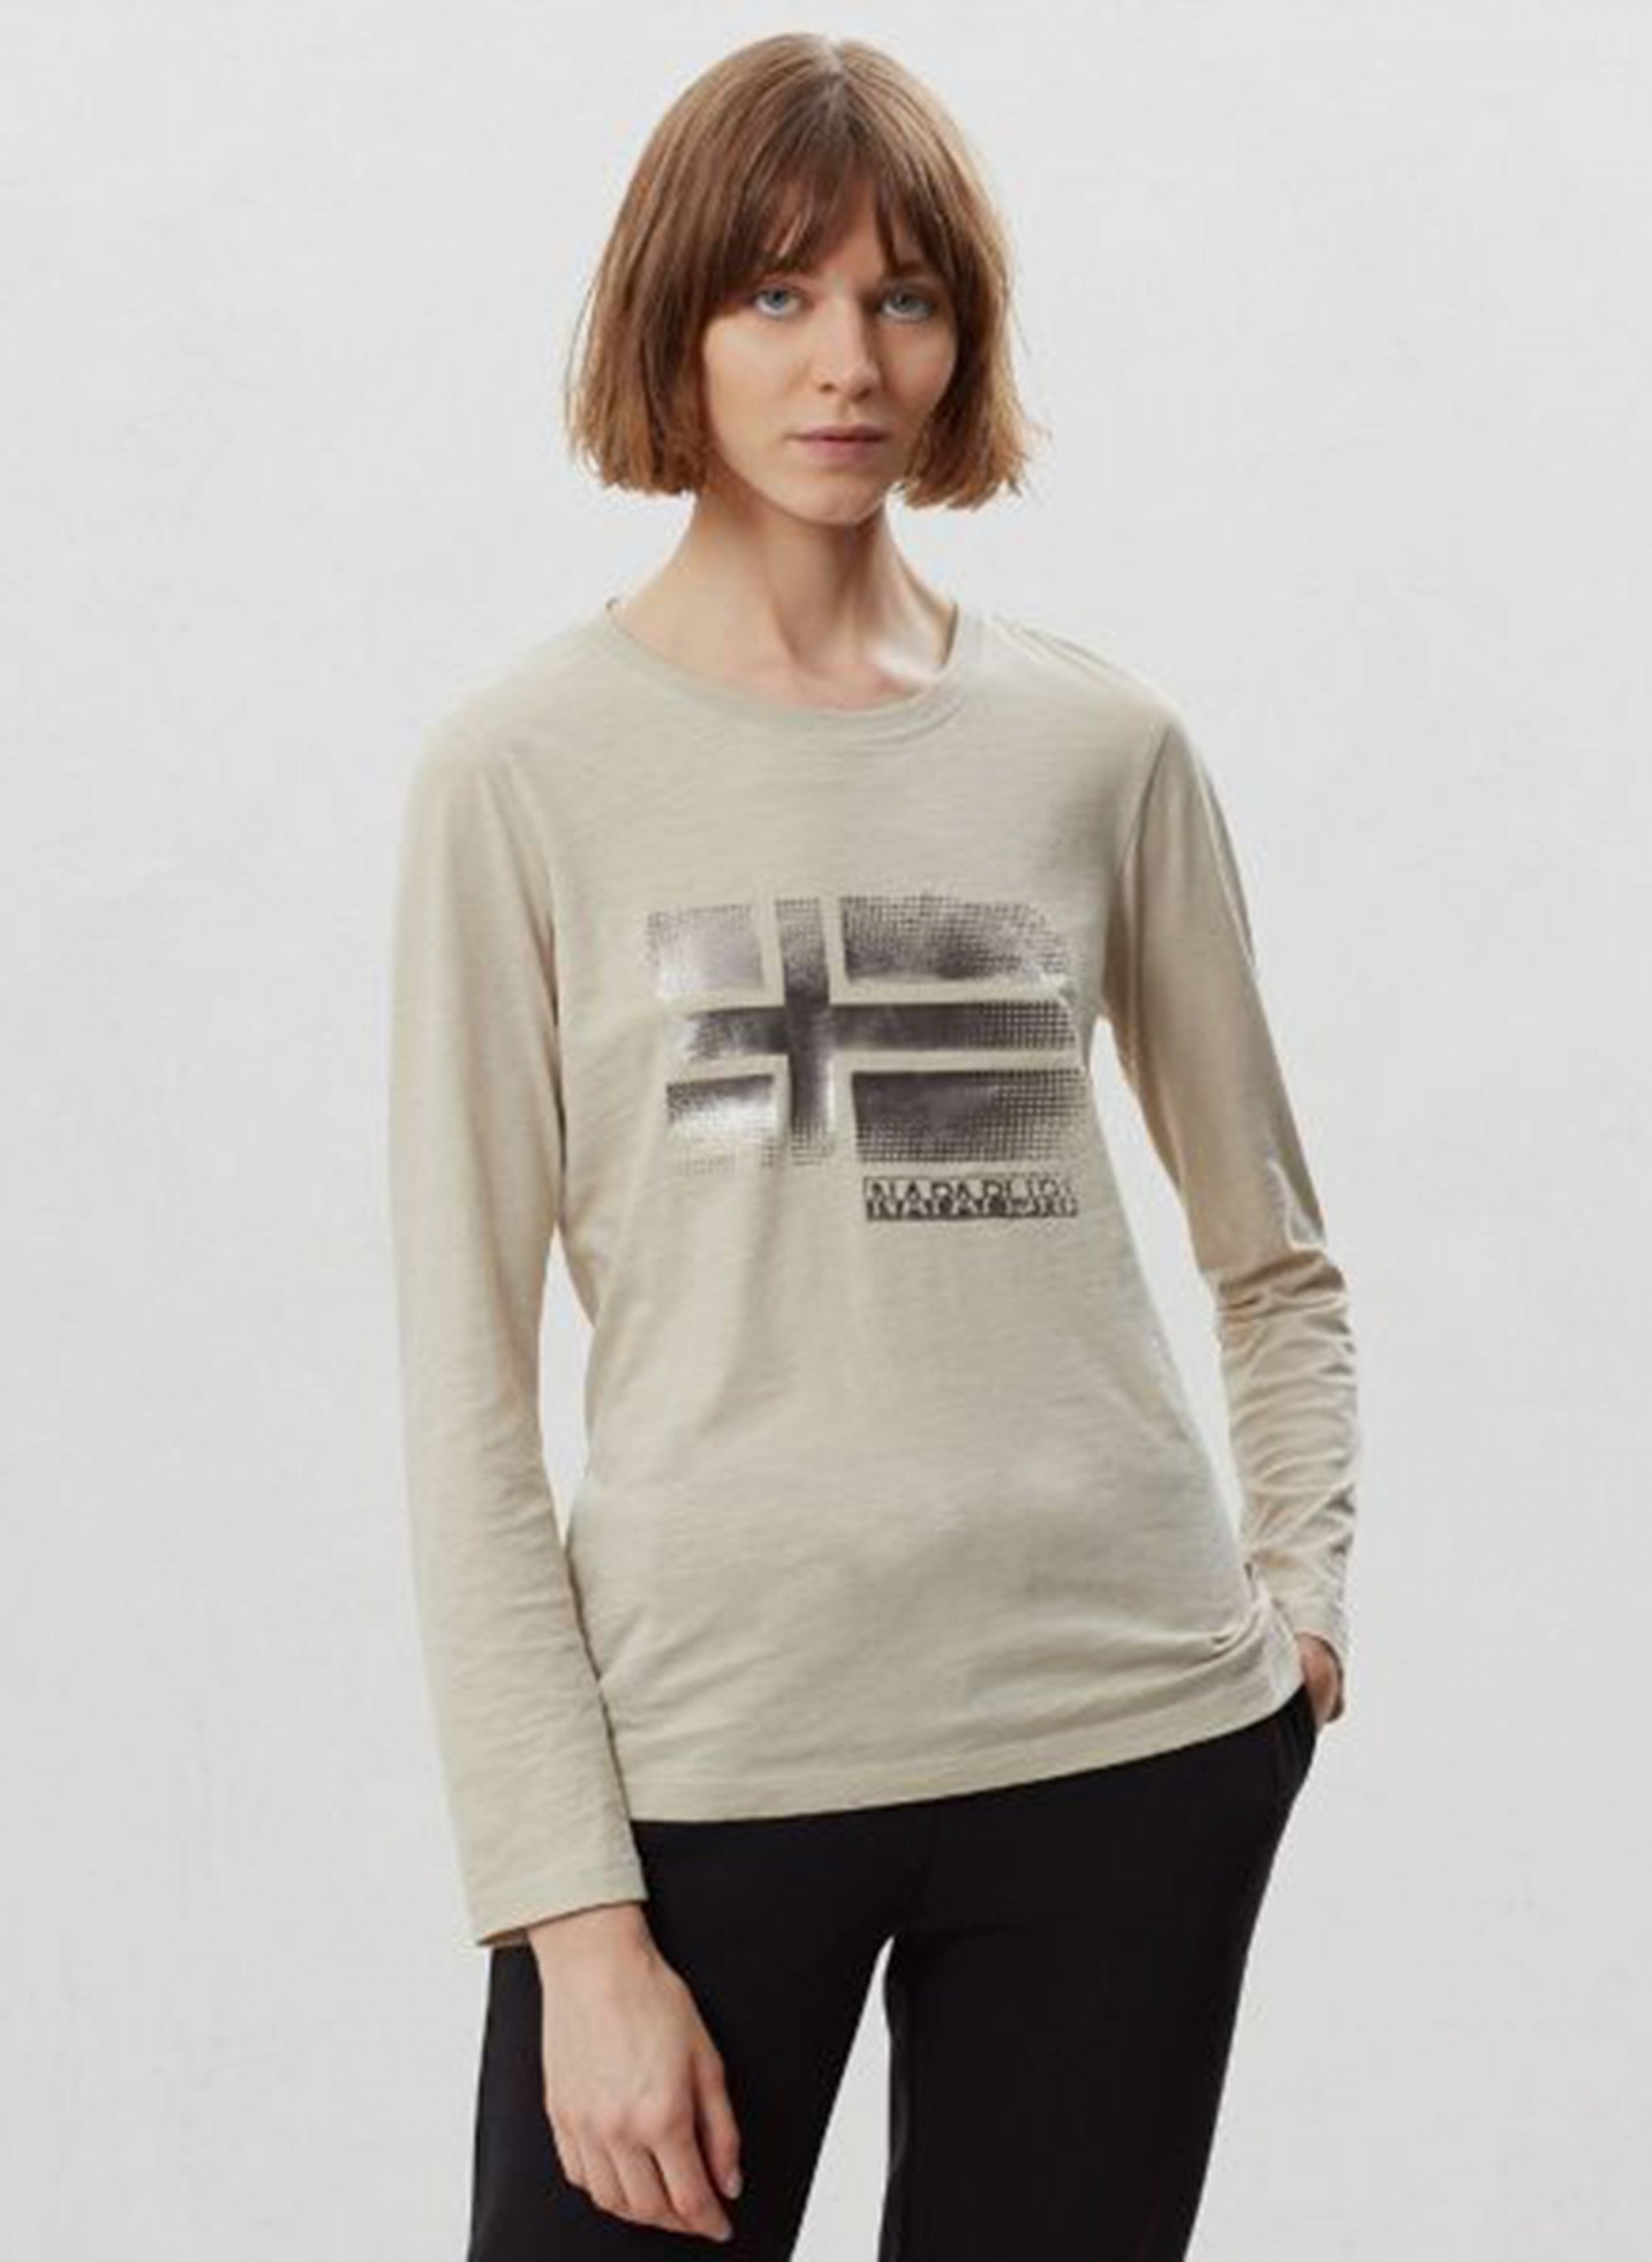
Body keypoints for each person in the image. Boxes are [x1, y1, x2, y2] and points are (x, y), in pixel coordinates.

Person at [386, 32, 1357, 2262]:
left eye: (901, 297)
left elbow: (1274, 1254)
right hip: (709, 1768)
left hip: (1121, 1740)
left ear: (961, 334)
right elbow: (466, 1388)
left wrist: (1290, 1626)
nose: (846, 362)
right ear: (676, 322)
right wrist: (568, 1917)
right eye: (776, 294)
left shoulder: (1096, 746)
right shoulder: (521, 771)